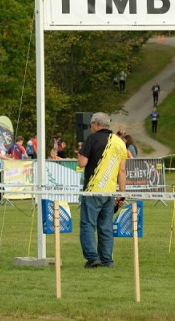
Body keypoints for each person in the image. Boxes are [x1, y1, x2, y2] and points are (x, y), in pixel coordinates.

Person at [78, 112, 127, 268]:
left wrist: (81, 151)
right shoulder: (120, 143)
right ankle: (107, 259)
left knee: (88, 224)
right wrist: (122, 193)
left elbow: (82, 163)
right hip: (110, 191)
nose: (91, 127)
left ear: (96, 124)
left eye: (91, 125)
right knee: (105, 226)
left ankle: (92, 258)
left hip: (93, 189)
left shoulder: (92, 139)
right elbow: (122, 171)